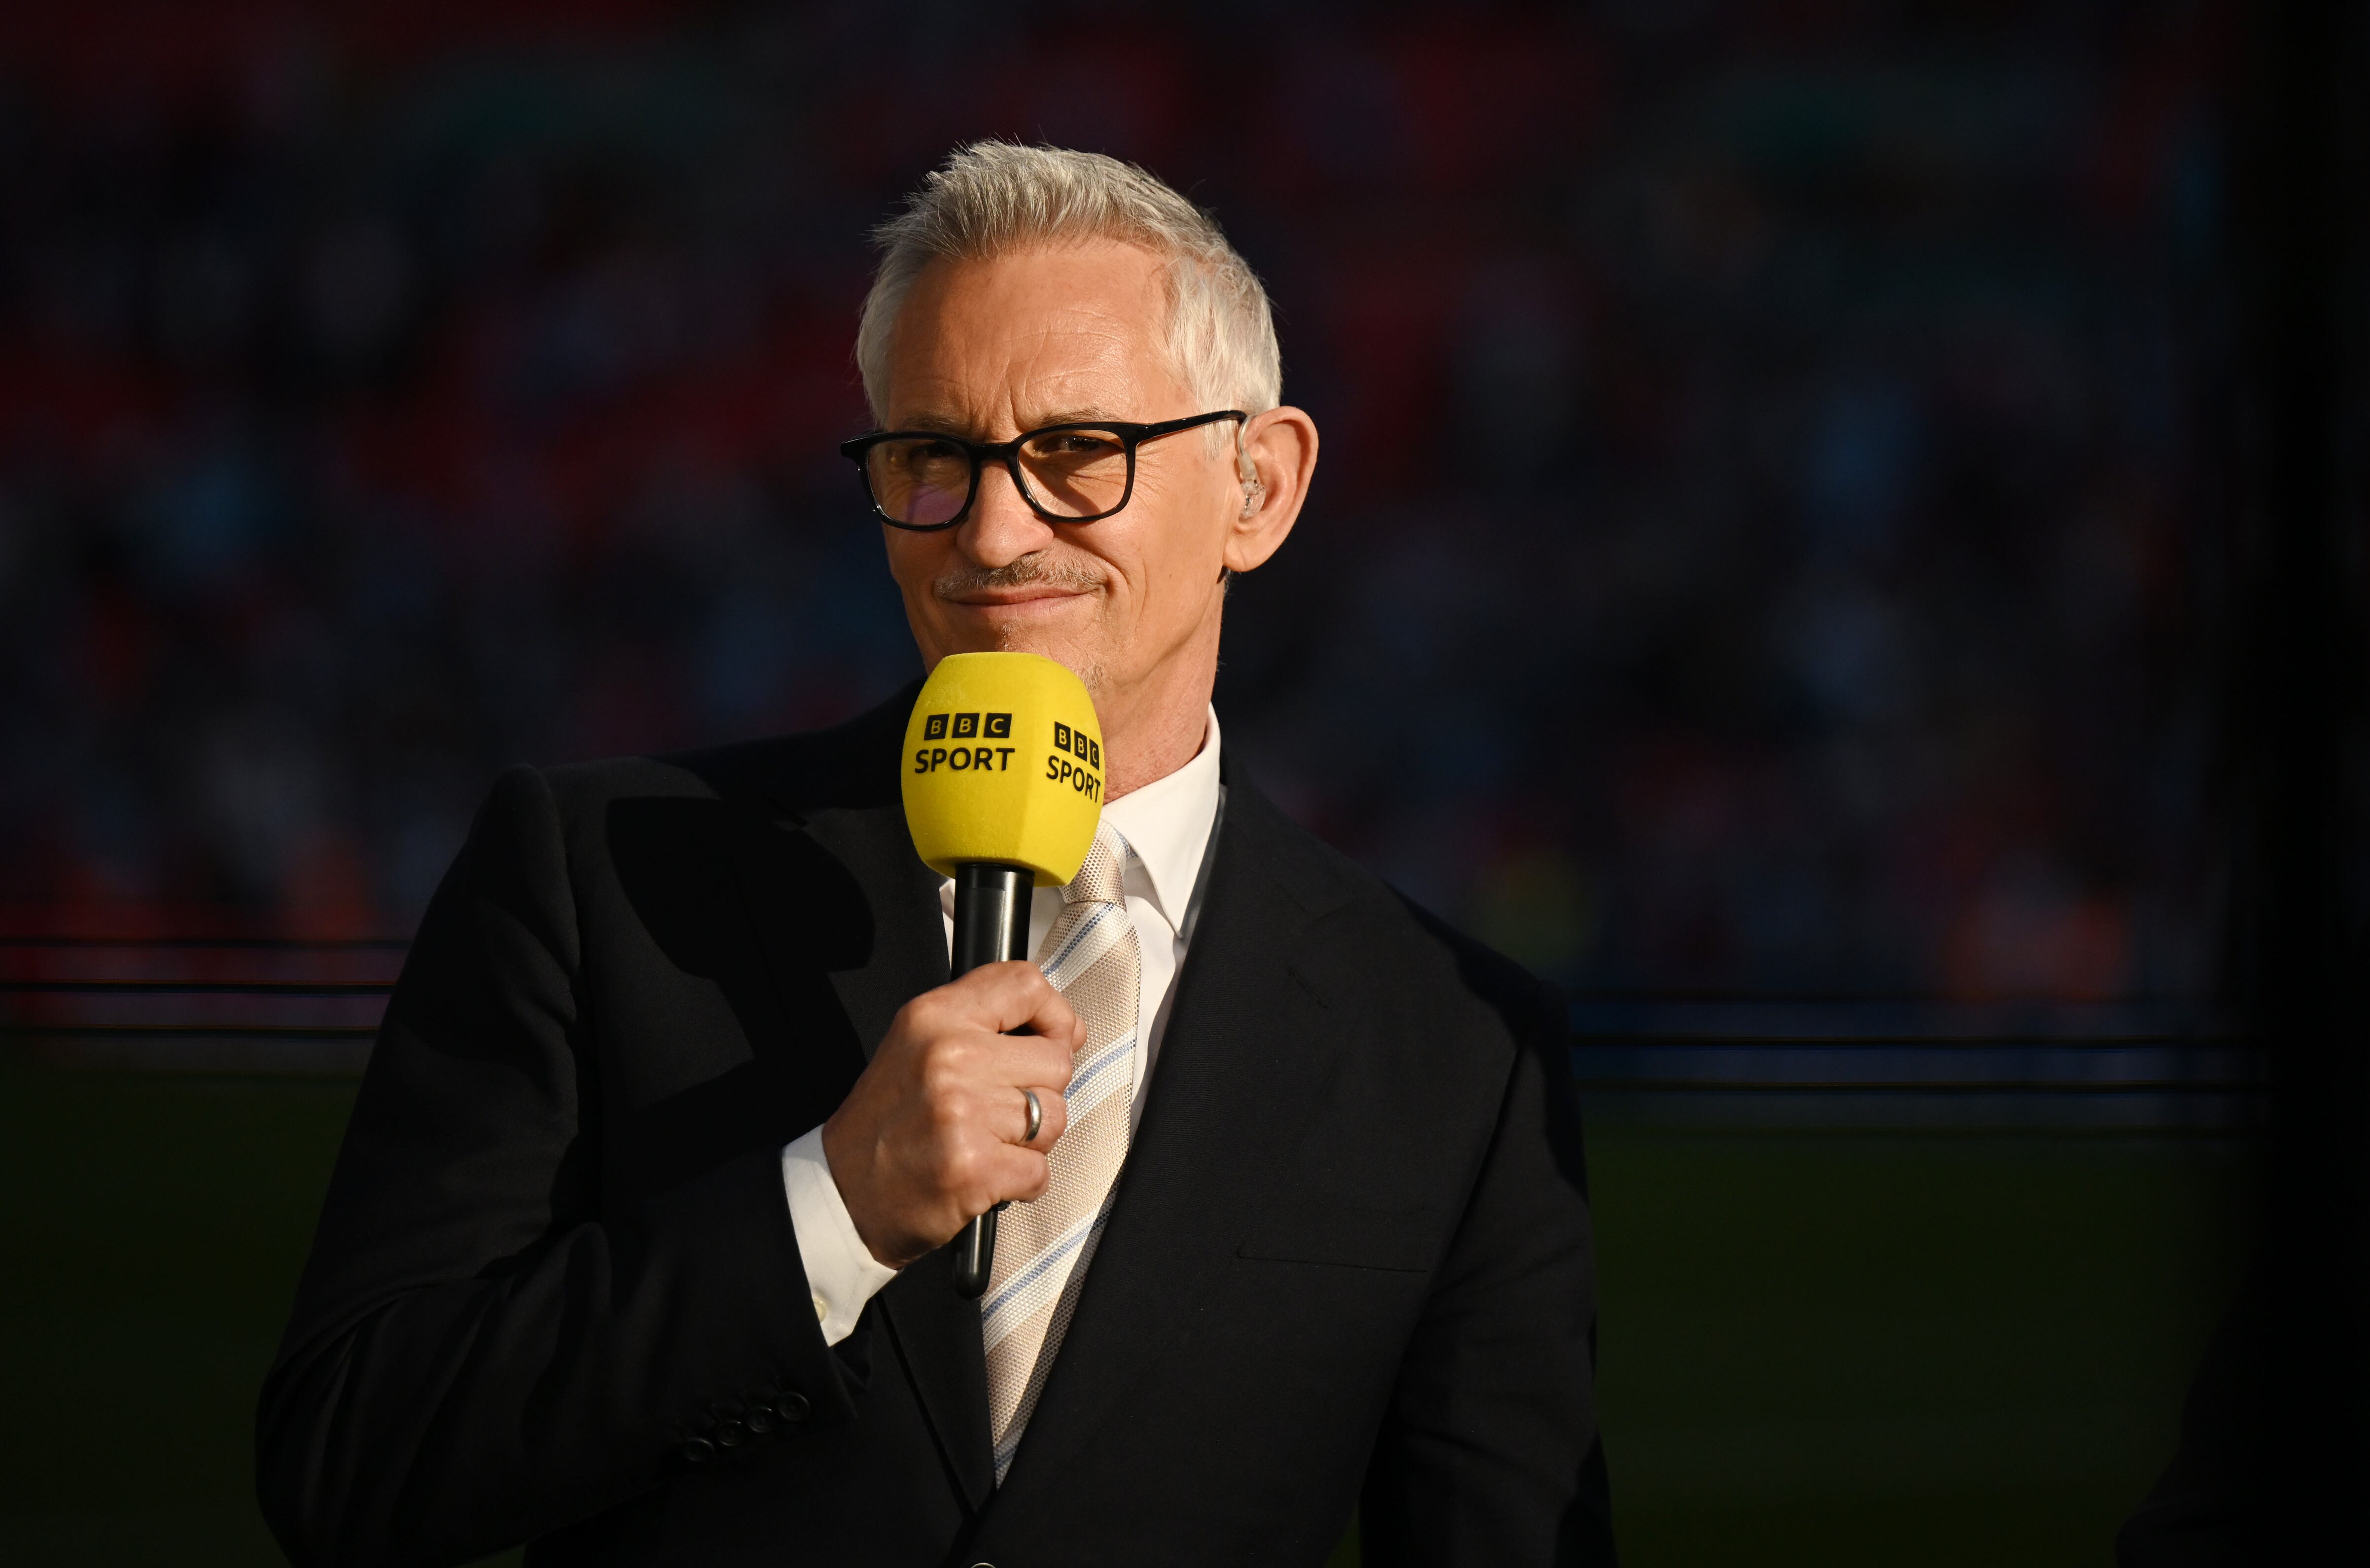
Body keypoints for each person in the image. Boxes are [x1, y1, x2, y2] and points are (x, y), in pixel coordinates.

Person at [257, 141, 1614, 1568]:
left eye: (1078, 452)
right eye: (933, 457)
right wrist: (825, 1214)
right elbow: (353, 1460)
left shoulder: (1460, 1054)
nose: (994, 528)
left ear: (1257, 489)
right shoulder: (593, 878)